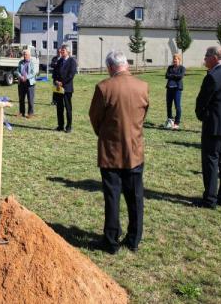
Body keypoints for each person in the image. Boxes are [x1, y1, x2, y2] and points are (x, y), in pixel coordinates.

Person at [88, 50, 149, 254]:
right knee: (135, 196)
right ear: (126, 65)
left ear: (111, 67)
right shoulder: (142, 87)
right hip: (134, 150)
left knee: (112, 197)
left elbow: (95, 117)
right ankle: (134, 238)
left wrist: (105, 134)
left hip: (111, 152)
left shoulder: (104, 87)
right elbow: (142, 116)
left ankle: (111, 240)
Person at [194, 46, 221, 209]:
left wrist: (202, 116)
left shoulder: (212, 76)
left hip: (214, 126)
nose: (205, 59)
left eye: (206, 56)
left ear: (214, 57)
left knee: (211, 162)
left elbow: (202, 101)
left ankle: (210, 199)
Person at [52, 45, 77, 133]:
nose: (62, 52)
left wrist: (62, 83)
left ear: (68, 52)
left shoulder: (72, 61)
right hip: (58, 88)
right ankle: (60, 125)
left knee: (68, 108)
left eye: (63, 51)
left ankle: (69, 127)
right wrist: (56, 81)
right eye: (61, 51)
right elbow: (54, 73)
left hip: (67, 88)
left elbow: (71, 75)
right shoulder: (59, 61)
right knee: (59, 108)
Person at [164, 53, 186, 129]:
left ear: (179, 60)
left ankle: (177, 122)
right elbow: (166, 75)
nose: (174, 60)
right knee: (168, 105)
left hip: (177, 89)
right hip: (169, 88)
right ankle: (170, 120)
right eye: (173, 59)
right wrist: (175, 76)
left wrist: (172, 75)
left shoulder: (182, 68)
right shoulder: (170, 67)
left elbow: (180, 76)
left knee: (177, 106)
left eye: (176, 59)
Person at [16, 49, 36, 118]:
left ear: (29, 55)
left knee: (30, 99)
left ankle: (30, 113)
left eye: (26, 54)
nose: (24, 56)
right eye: (24, 54)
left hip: (30, 83)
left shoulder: (32, 62)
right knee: (21, 98)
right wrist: (20, 76)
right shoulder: (20, 62)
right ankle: (21, 112)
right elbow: (17, 71)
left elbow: (33, 73)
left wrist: (26, 77)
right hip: (21, 83)